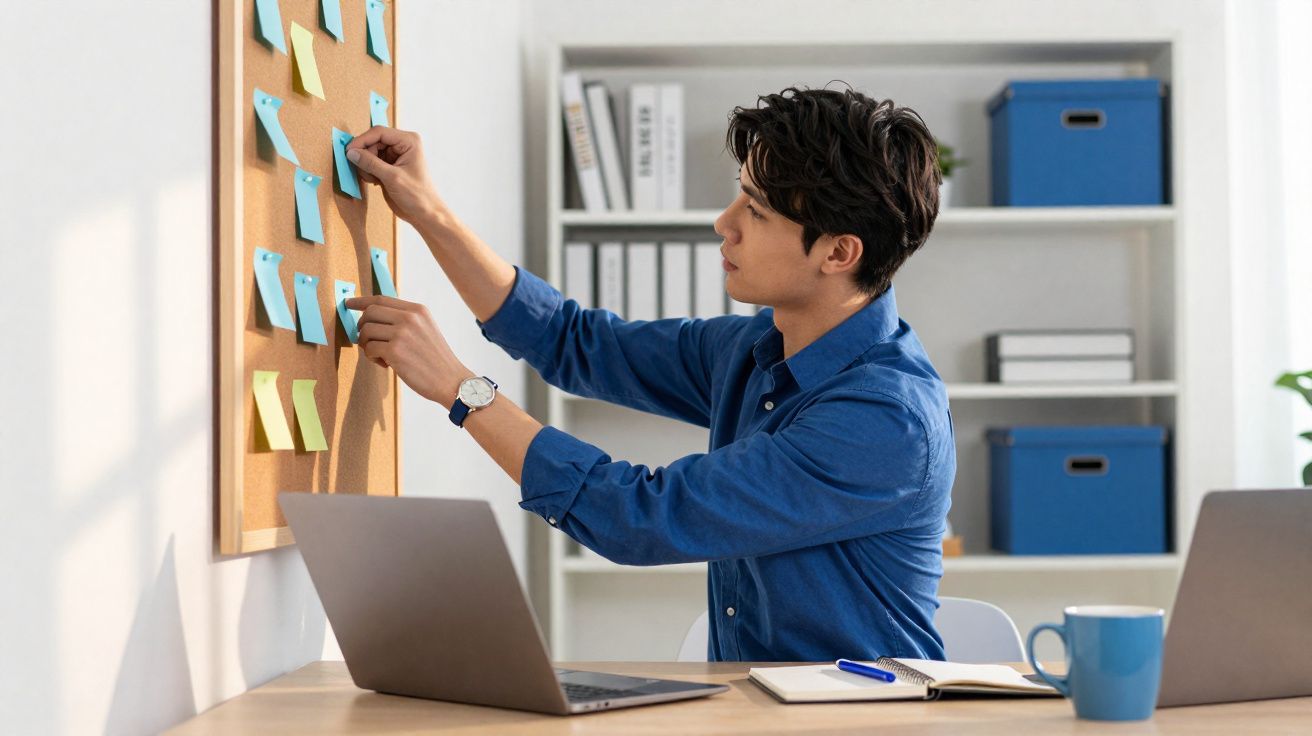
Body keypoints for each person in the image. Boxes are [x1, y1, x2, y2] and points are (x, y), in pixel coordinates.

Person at [343, 86, 955, 662]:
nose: (725, 223)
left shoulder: (886, 422)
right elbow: (573, 341)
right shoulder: (754, 348)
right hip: (750, 710)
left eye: (757, 210)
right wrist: (428, 211)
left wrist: (463, 391)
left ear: (838, 252)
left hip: (860, 715)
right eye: (739, 194)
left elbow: (640, 517)